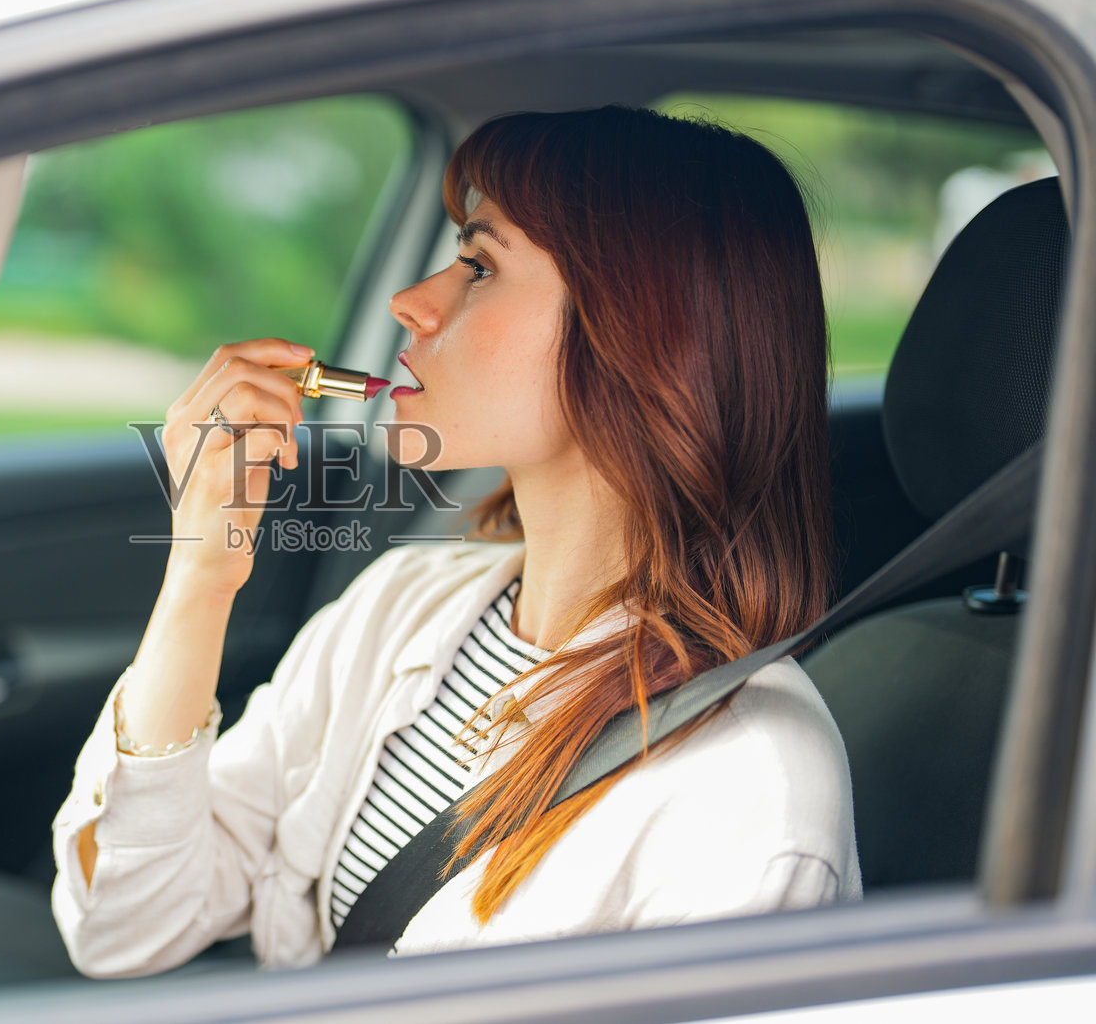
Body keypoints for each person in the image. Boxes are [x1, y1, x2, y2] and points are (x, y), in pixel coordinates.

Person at [50, 106, 860, 976]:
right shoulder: (401, 604)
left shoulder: (756, 792)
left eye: (478, 265)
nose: (412, 301)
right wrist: (201, 575)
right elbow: (122, 928)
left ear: (643, 336)